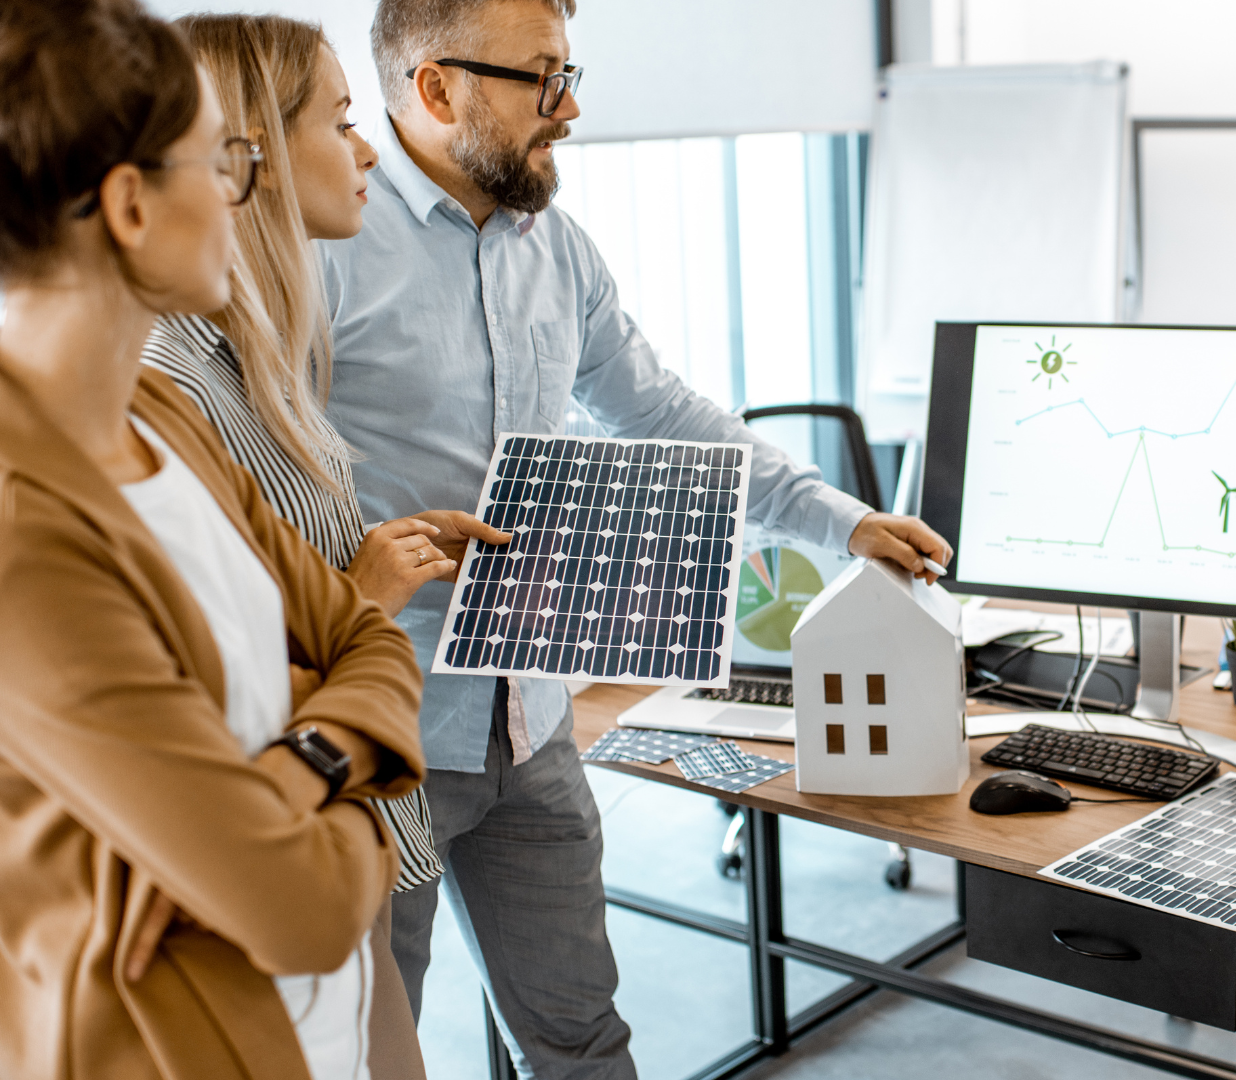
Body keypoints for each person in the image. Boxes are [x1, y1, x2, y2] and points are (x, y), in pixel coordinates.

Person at [320, 0, 954, 1071]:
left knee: (583, 1040)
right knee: (374, 1050)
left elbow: (662, 413)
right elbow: (248, 480)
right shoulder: (322, 248)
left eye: (571, 73)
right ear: (435, 89)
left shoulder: (554, 246)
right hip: (391, 735)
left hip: (531, 726)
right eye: (541, 80)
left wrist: (843, 522)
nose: (569, 110)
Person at [0, 3, 427, 1078]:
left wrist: (289, 770)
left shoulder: (163, 419)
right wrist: (348, 761)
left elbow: (373, 644)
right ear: (131, 204)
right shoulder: (21, 535)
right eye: (225, 160)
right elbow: (299, 910)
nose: (246, 196)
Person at [144, 14, 507, 1079]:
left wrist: (368, 549)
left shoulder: (250, 354)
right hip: (291, 848)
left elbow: (275, 573)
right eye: (343, 121)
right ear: (244, 150)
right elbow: (213, 672)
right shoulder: (169, 381)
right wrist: (366, 593)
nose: (367, 150)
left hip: (351, 832)